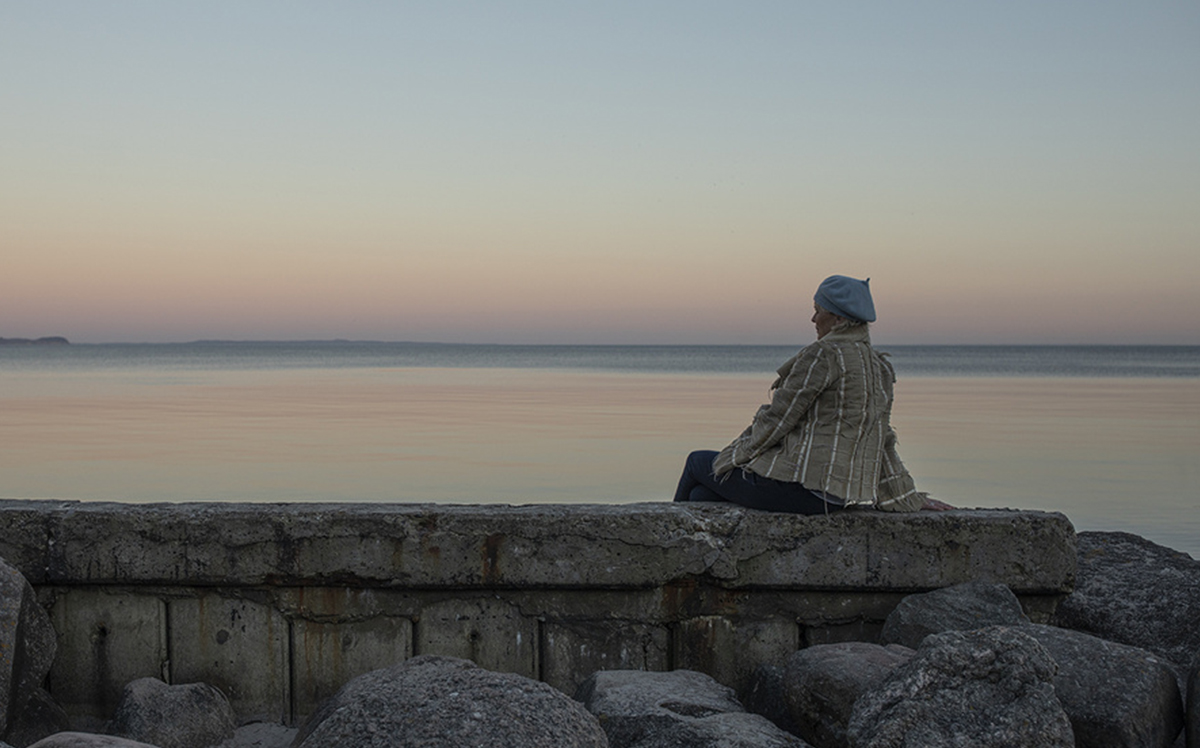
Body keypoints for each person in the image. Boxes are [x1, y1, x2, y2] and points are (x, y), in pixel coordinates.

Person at [673, 274, 950, 514]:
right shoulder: (878, 365)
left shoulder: (823, 355)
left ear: (839, 317)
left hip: (801, 488)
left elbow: (778, 420)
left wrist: (733, 457)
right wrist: (905, 495)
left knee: (698, 462)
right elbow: (880, 436)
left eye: (818, 310)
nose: (813, 318)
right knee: (702, 496)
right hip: (835, 499)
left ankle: (671, 546)